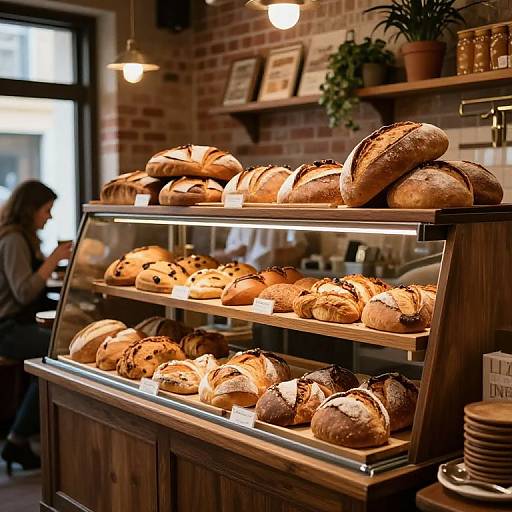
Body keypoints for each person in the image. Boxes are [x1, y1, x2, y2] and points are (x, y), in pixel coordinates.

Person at [0, 180, 72, 475]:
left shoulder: (24, 237)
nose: (50, 217)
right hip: (7, 329)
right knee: (56, 352)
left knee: (53, 350)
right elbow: (23, 292)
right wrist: (54, 259)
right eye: (47, 210)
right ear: (30, 210)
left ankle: (24, 435)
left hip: (17, 324)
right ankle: (18, 439)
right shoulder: (14, 240)